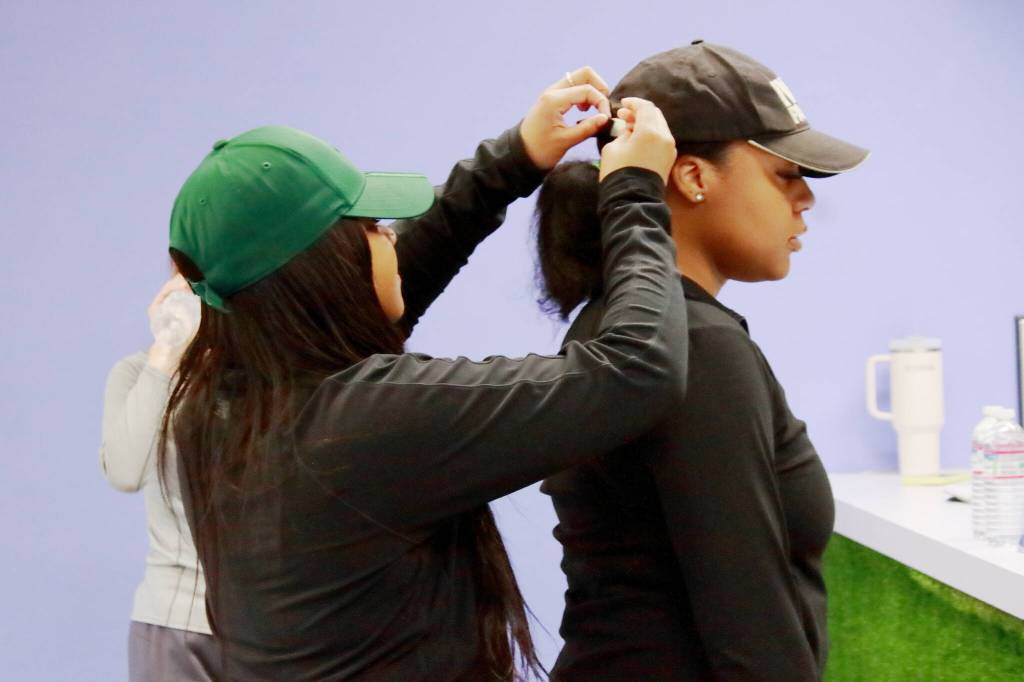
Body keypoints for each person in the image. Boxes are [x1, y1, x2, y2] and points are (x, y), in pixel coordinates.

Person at [161, 69, 688, 680]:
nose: (392, 238)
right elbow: (635, 372)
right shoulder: (366, 423)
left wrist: (513, 160)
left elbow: (367, 292)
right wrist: (635, 193)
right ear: (329, 271)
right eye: (375, 229)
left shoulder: (219, 403)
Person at [535, 42, 869, 681]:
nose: (806, 200)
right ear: (691, 177)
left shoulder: (620, 324)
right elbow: (751, 631)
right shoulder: (697, 345)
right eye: (784, 174)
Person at [100, 272, 220, 680]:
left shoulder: (268, 376)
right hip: (174, 619)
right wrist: (166, 353)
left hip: (266, 624)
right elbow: (125, 471)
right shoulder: (138, 373)